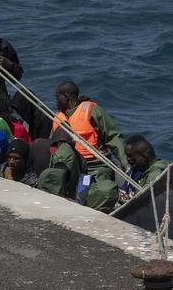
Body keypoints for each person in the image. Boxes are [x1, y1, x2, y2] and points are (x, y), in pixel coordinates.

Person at [50, 81, 127, 212]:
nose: (55, 101)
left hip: (96, 166)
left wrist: (125, 162)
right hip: (71, 167)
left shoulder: (92, 110)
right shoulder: (58, 118)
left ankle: (97, 203)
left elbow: (113, 136)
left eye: (57, 97)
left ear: (67, 96)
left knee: (103, 191)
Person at [118, 134, 170, 203]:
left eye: (132, 159)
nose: (128, 161)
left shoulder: (153, 177)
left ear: (144, 156)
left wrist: (126, 201)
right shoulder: (164, 165)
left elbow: (145, 204)